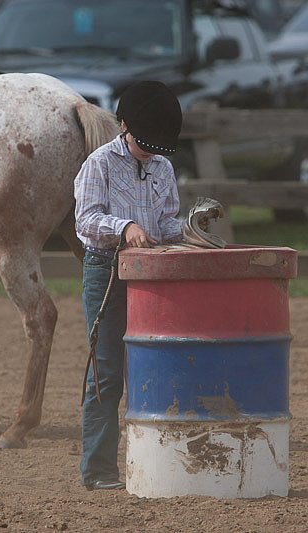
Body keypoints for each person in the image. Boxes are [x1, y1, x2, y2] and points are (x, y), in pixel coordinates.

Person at [74, 80, 184, 491]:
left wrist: (188, 235)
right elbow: (85, 220)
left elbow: (168, 223)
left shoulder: (162, 166)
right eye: (145, 143)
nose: (151, 151)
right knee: (105, 372)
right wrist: (126, 227)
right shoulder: (98, 164)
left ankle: (161, 462)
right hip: (107, 272)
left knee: (157, 364)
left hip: (153, 273)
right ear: (123, 126)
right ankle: (99, 471)